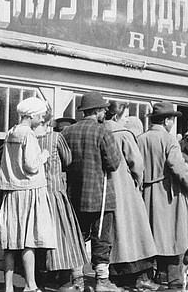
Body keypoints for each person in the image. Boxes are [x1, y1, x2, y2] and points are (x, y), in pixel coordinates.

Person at [62, 92, 123, 292]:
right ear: (96, 111)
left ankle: (77, 281)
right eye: (103, 109)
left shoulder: (67, 132)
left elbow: (62, 163)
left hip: (73, 196)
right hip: (100, 195)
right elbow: (113, 163)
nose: (105, 112)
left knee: (76, 238)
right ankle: (102, 282)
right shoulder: (102, 131)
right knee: (101, 239)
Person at [137, 102, 188, 290]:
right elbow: (177, 165)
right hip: (167, 192)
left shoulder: (141, 138)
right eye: (172, 119)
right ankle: (173, 280)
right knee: (173, 236)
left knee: (152, 236)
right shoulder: (169, 139)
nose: (173, 123)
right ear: (166, 121)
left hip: (146, 191)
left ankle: (152, 276)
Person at [0, 97, 55, 292]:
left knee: (11, 243)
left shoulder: (11, 132)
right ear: (31, 116)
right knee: (27, 241)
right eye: (40, 117)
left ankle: (8, 286)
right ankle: (30, 285)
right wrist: (44, 156)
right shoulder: (29, 135)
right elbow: (31, 166)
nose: (41, 120)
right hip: (28, 192)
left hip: (11, 192)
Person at [104, 101, 160, 291]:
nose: (127, 119)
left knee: (114, 234)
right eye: (125, 115)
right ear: (117, 116)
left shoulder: (100, 130)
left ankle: (116, 276)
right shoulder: (123, 134)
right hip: (125, 187)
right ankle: (139, 278)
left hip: (105, 188)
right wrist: (138, 181)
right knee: (135, 232)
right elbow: (137, 164)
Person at [34, 110, 88, 291]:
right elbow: (68, 160)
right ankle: (65, 280)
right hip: (55, 190)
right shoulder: (56, 138)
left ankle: (44, 277)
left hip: (37, 193)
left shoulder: (31, 138)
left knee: (41, 236)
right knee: (64, 235)